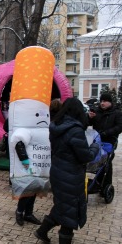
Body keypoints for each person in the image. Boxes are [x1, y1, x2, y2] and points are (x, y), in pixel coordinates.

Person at [34, 98, 99, 244]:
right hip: (70, 175)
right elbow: (85, 156)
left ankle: (41, 231)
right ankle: (59, 237)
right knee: (70, 212)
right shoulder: (75, 130)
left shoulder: (56, 125)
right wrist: (95, 146)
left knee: (63, 207)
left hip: (58, 172)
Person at [88, 93, 122, 189]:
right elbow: (87, 123)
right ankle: (98, 183)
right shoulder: (96, 111)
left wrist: (107, 133)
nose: (102, 103)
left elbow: (119, 127)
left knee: (107, 162)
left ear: (110, 102)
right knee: (98, 161)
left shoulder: (117, 113)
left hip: (109, 141)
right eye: (101, 101)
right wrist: (89, 117)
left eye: (105, 101)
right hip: (97, 141)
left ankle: (106, 184)